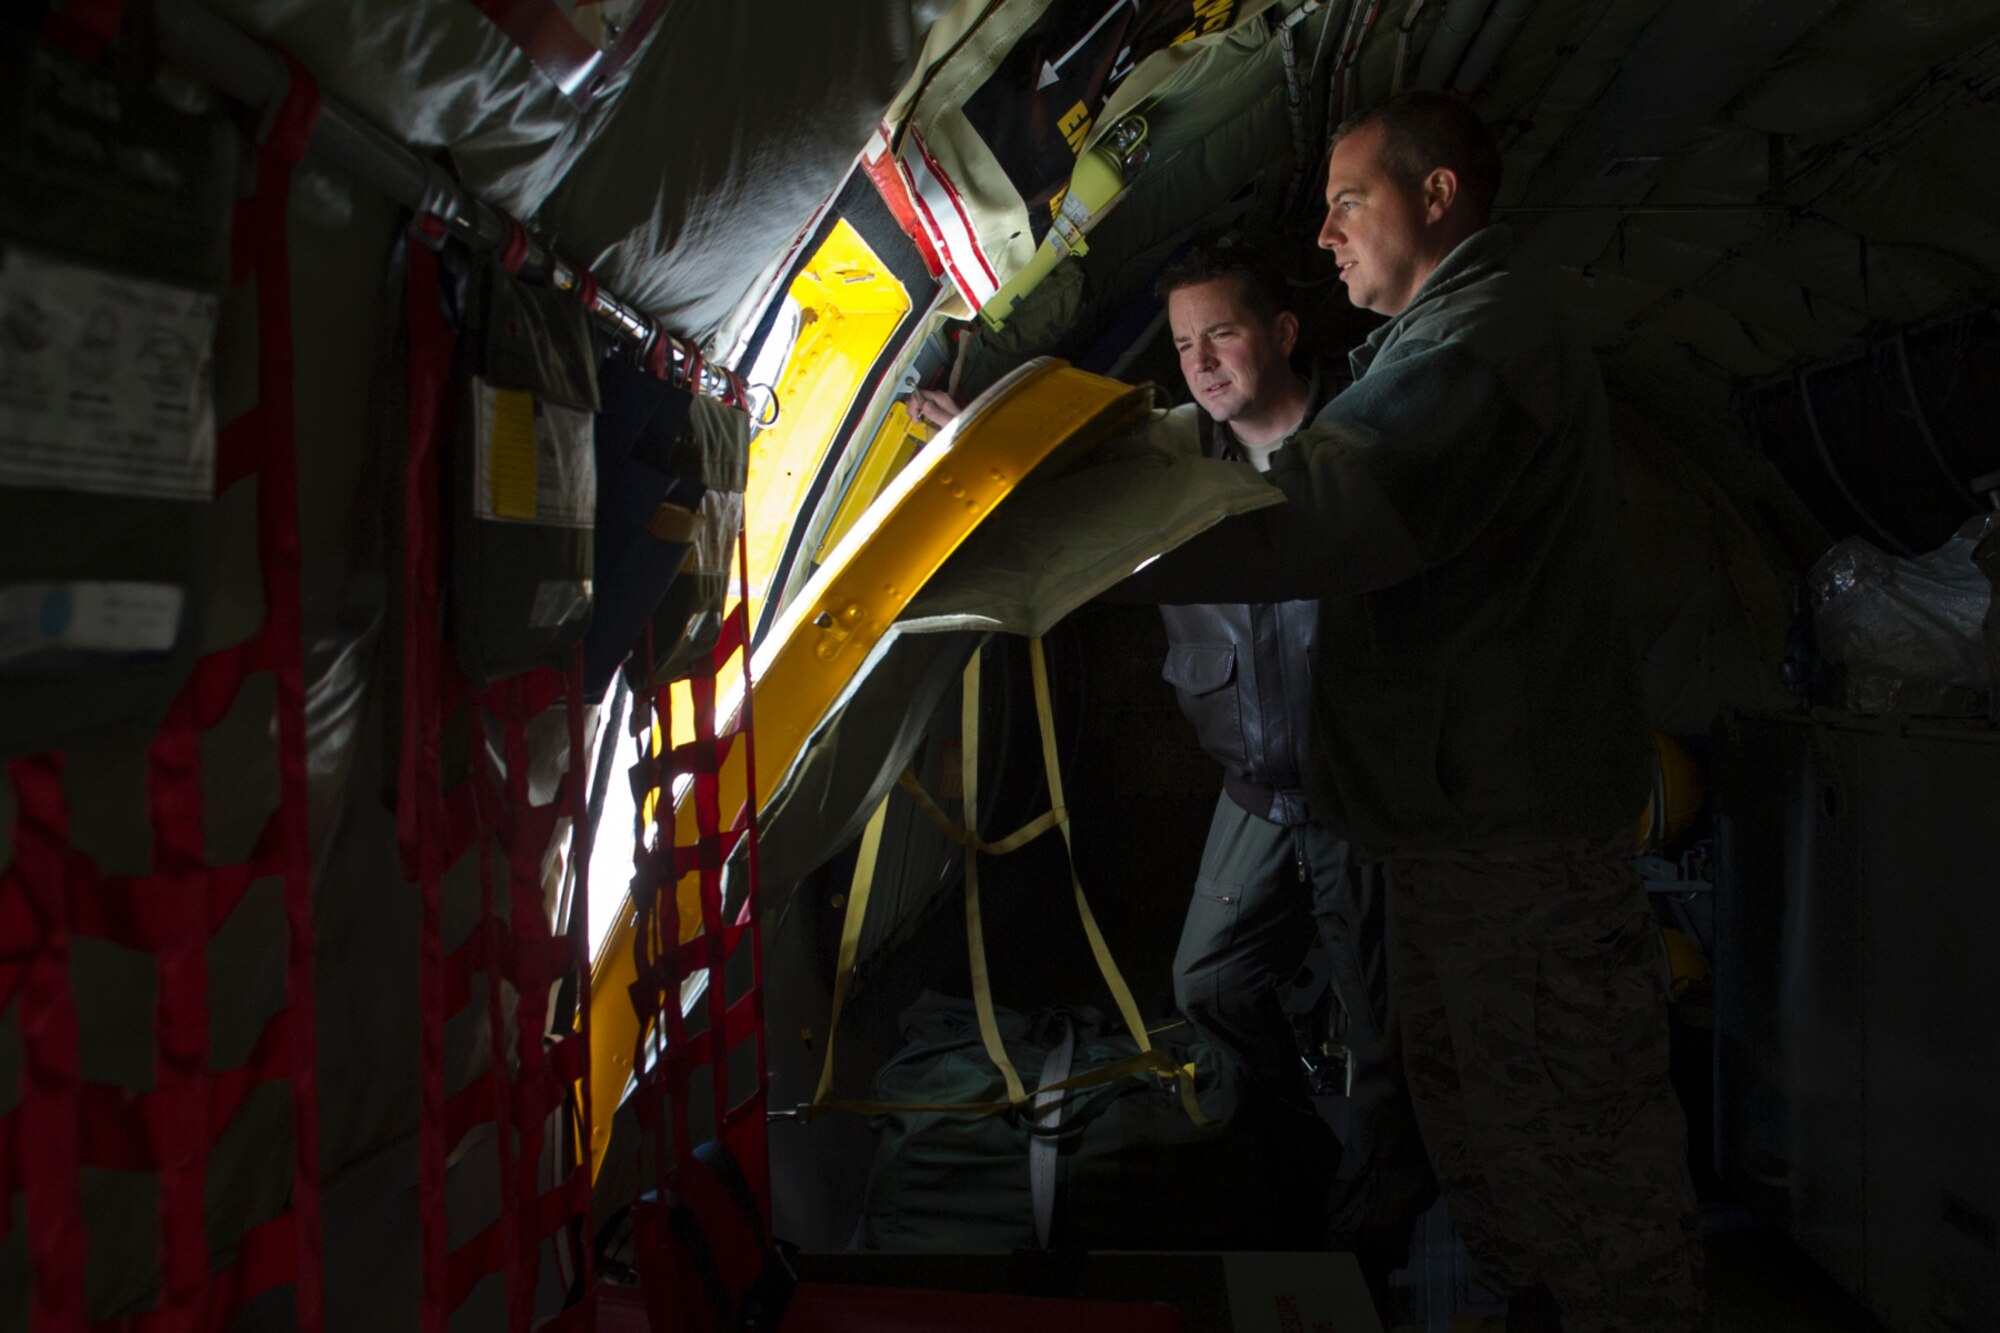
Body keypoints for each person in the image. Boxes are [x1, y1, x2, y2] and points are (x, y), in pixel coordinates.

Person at [1114, 91, 1706, 1332]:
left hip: (1517, 846)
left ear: (1435, 197)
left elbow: (1327, 505)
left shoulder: (1484, 335)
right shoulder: (1426, 343)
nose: (1325, 235)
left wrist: (1086, 521)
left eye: (1347, 202)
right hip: (1452, 837)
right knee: (1488, 1139)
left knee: (1579, 1160)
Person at [1149, 242, 1430, 1258]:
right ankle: (1307, 1153)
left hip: (1360, 798)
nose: (1202, 362)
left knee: (1384, 1042)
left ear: (1279, 332)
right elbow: (1062, 469)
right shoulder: (1175, 467)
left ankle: (1368, 1245)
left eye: (1220, 332)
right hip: (1256, 797)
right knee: (1206, 985)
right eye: (1183, 345)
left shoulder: (1361, 447)